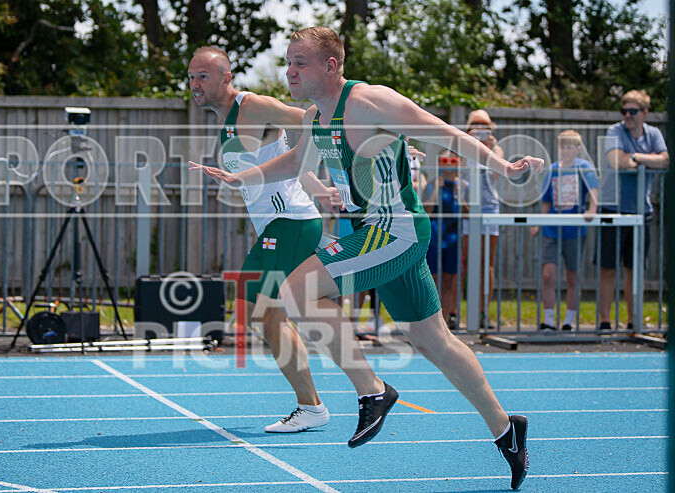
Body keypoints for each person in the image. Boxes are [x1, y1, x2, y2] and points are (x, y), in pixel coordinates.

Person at [190, 27, 542, 490]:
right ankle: (506, 430)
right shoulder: (318, 117)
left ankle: (373, 391)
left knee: (293, 290)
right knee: (434, 341)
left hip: (395, 230)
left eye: (300, 63)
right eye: (289, 62)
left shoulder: (372, 101)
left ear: (330, 67)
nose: (289, 71)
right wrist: (243, 178)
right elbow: (294, 165)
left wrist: (505, 168)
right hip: (370, 234)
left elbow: (445, 133)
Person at [188, 46, 342, 433]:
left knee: (256, 306)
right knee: (269, 312)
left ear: (227, 78)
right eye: (191, 76)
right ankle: (314, 403)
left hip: (289, 222)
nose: (194, 84)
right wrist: (319, 188)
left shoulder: (252, 106)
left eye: (203, 76)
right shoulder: (225, 120)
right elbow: (286, 157)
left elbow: (315, 119)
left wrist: (362, 140)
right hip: (285, 221)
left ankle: (315, 405)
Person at [598, 90, 669, 332]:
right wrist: (648, 160)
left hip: (641, 211)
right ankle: (605, 322)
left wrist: (636, 157)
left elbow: (666, 160)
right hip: (612, 208)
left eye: (633, 111)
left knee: (634, 269)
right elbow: (616, 161)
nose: (627, 115)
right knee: (608, 268)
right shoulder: (614, 131)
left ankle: (633, 323)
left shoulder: (654, 134)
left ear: (645, 113)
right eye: (624, 111)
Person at [530, 130, 598, 331]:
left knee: (573, 276)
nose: (566, 151)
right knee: (548, 274)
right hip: (552, 229)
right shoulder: (551, 170)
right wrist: (538, 223)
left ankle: (569, 320)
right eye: (563, 147)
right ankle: (549, 320)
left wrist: (592, 209)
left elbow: (593, 191)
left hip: (574, 231)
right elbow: (546, 200)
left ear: (578, 149)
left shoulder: (583, 168)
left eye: (570, 147)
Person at [460, 110, 504, 330]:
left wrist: (489, 148)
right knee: (466, 262)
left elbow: (497, 176)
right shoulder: (462, 147)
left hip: (489, 209)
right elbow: (459, 177)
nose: (480, 129)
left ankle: (484, 312)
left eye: (484, 125)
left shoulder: (496, 149)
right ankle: (461, 312)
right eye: (475, 124)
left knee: (487, 263)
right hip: (468, 210)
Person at [423, 150, 467, 330]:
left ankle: (445, 321)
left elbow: (468, 213)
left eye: (452, 160)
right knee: (432, 280)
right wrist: (437, 190)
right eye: (444, 160)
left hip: (453, 239)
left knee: (450, 280)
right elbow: (427, 212)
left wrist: (460, 195)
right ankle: (430, 322)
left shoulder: (463, 185)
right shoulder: (432, 184)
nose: (448, 165)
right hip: (434, 238)